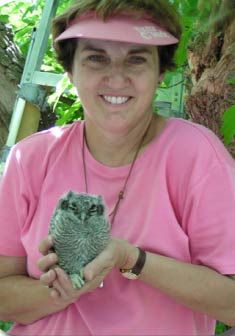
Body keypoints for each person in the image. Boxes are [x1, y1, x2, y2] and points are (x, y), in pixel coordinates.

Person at [0, 1, 235, 335]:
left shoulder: (197, 155)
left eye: (136, 59)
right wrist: (65, 286)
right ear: (70, 71)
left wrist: (131, 259)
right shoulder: (31, 157)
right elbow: (4, 295)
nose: (116, 77)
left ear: (161, 72)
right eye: (96, 58)